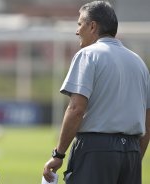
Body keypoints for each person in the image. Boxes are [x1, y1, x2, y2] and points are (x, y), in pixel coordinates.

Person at [42, 1, 150, 184]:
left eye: (79, 24)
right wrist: (134, 158)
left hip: (96, 150)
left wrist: (58, 154)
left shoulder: (88, 55)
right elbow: (147, 118)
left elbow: (76, 108)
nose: (77, 31)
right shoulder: (139, 63)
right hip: (131, 153)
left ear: (92, 26)